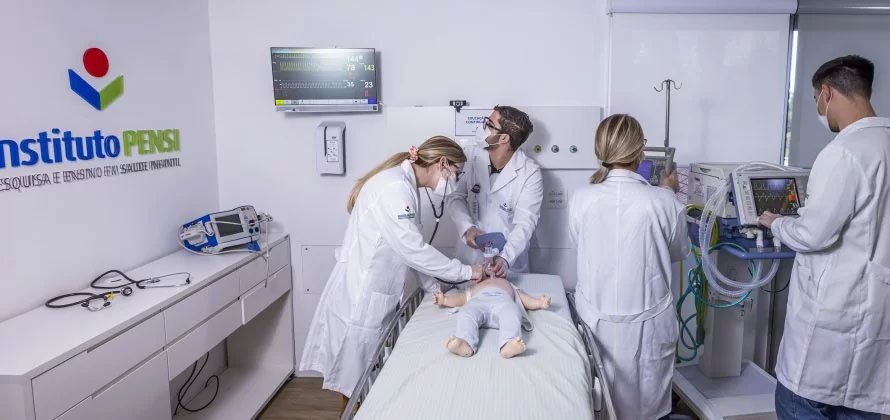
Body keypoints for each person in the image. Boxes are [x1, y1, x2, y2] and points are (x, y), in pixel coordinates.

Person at [300, 136, 484, 404]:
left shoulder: (402, 185)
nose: (455, 181)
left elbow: (411, 247)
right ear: (442, 163)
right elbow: (414, 250)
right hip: (361, 297)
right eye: (456, 173)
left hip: (370, 291)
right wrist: (468, 273)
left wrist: (435, 289)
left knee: (360, 384)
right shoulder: (395, 188)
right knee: (354, 386)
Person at [758, 55, 890, 420]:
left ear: (827, 93)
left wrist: (776, 223)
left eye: (816, 98)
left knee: (797, 401)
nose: (818, 107)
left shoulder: (844, 152)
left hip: (834, 320)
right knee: (860, 408)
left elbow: (813, 234)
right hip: (877, 319)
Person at [569, 114, 687, 420]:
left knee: (599, 404)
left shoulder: (581, 198)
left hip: (596, 322)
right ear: (640, 151)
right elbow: (676, 252)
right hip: (648, 328)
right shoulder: (663, 202)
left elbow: (579, 243)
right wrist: (669, 192)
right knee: (649, 408)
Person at [447, 105, 543, 278]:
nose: (482, 128)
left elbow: (525, 223)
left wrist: (505, 259)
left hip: (508, 264)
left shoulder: (530, 172)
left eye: (489, 124)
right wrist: (467, 227)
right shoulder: (471, 156)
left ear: (504, 138)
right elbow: (455, 197)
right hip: (469, 260)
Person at [432, 275, 551, 358]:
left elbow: (523, 299)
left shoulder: (509, 285)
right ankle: (465, 343)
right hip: (478, 302)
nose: (490, 272)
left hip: (503, 302)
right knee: (466, 312)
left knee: (512, 312)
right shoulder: (474, 287)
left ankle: (508, 344)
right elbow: (461, 298)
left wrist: (538, 303)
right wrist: (445, 300)